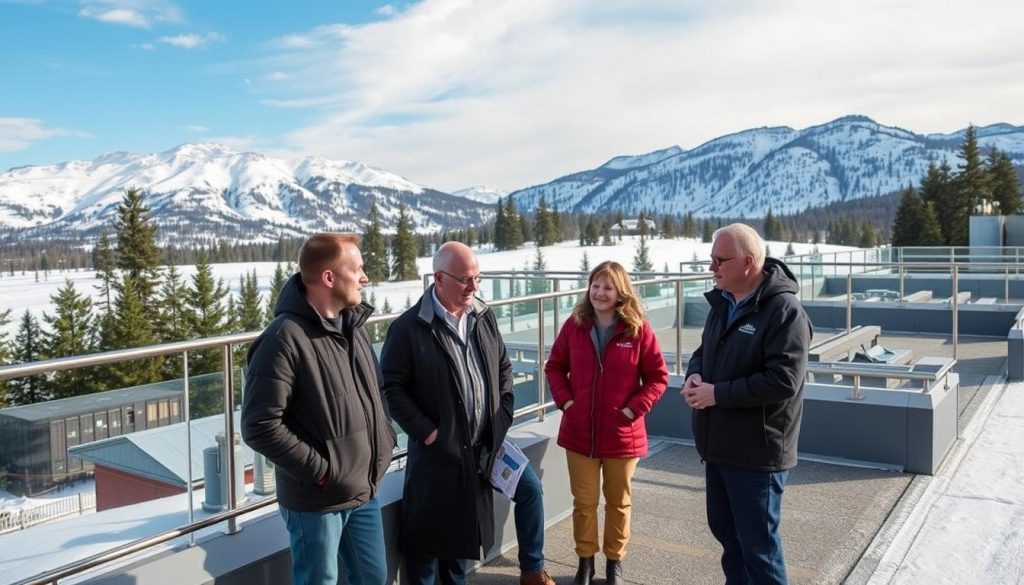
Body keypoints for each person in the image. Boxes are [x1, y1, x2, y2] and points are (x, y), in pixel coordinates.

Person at [381, 241, 555, 585]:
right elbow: (391, 387)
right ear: (439, 279)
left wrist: (502, 414)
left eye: (477, 277)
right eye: (465, 280)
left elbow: (503, 368)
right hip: (440, 452)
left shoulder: (483, 315)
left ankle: (532, 570)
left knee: (487, 519)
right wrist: (428, 432)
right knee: (433, 544)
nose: (474, 287)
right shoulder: (408, 328)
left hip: (487, 444)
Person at [241, 233, 397, 585]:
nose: (364, 277)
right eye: (357, 269)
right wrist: (325, 472)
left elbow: (377, 391)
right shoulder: (282, 339)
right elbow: (259, 426)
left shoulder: (353, 327)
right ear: (329, 278)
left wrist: (383, 442)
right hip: (316, 499)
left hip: (363, 488)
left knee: (373, 577)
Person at [681, 223, 812, 585]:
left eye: (719, 260)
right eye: (711, 259)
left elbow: (784, 380)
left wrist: (716, 394)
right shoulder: (723, 302)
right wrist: (695, 375)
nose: (712, 267)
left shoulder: (785, 312)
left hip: (757, 456)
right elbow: (703, 351)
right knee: (731, 542)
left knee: (760, 553)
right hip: (718, 448)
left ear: (749, 262)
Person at [545, 261, 668, 585]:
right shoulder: (574, 325)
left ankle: (614, 564)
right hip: (579, 433)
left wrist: (633, 409)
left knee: (619, 503)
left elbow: (657, 377)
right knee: (584, 504)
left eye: (607, 287)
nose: (599, 292)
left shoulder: (638, 328)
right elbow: (554, 367)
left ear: (620, 293)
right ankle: (585, 564)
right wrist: (568, 403)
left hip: (622, 435)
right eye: (595, 285)